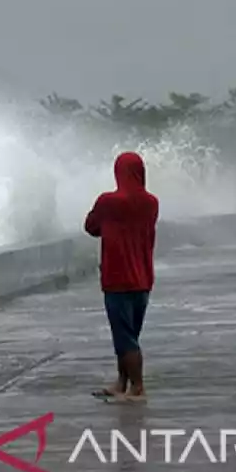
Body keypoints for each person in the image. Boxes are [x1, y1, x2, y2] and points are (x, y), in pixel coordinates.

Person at [85, 151, 159, 401]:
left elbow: (91, 227)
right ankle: (122, 382)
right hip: (143, 279)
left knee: (124, 336)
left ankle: (137, 388)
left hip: (117, 279)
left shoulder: (108, 202)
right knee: (128, 335)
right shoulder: (151, 203)